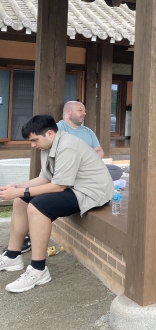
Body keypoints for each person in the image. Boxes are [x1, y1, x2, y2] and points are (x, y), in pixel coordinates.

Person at [0, 115, 113, 293]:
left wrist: (21, 191)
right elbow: (45, 178)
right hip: (72, 187)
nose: (33, 145)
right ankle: (12, 256)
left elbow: (58, 186)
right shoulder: (47, 145)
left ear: (50, 133)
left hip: (92, 192)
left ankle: (38, 269)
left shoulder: (68, 146)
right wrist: (16, 187)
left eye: (34, 140)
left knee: (37, 207)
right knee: (20, 200)